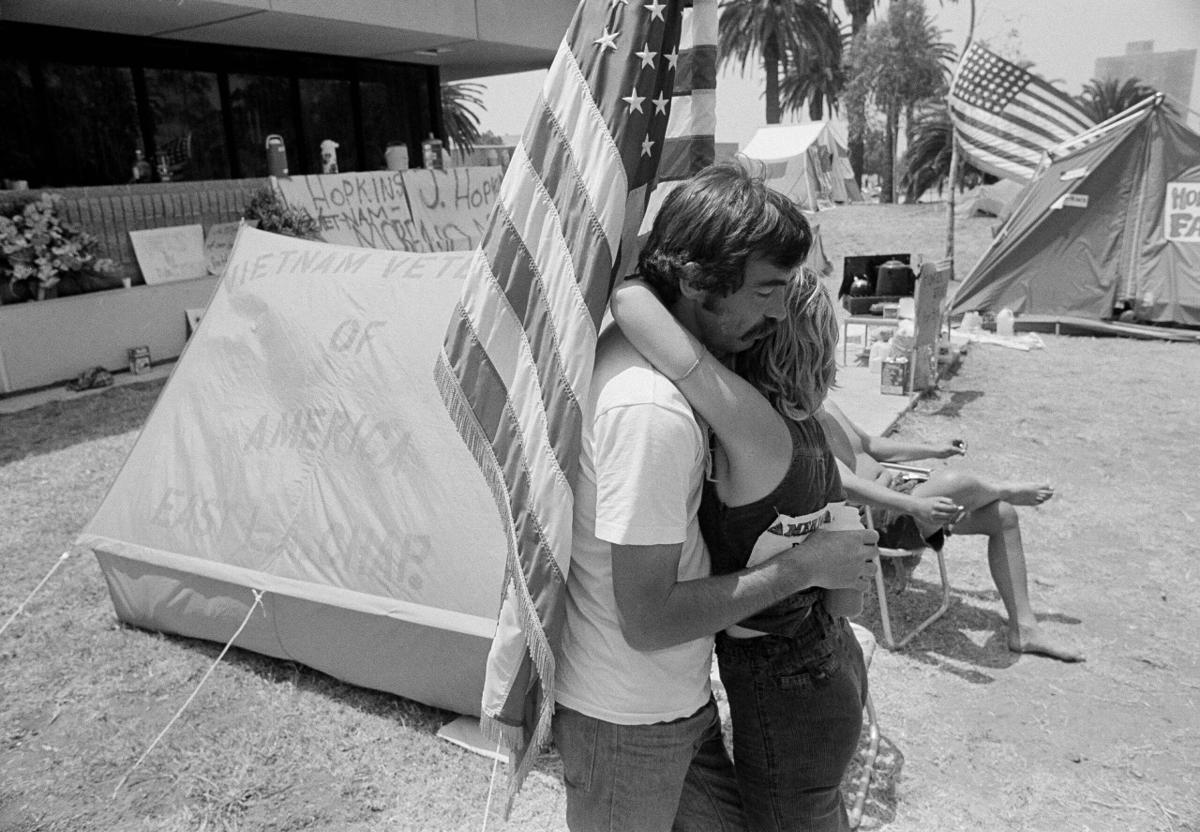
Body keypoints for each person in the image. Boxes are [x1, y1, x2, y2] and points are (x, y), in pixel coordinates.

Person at [551, 163, 879, 832]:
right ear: (701, 281)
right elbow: (647, 618)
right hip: (628, 722)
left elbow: (640, 301)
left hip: (676, 705)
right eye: (766, 290)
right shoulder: (653, 414)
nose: (780, 312)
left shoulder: (675, 366)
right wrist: (802, 567)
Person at [817, 399, 1085, 663]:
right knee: (955, 482)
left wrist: (934, 450)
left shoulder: (826, 401)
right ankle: (1006, 489)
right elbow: (846, 485)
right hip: (872, 515)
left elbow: (870, 445)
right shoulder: (804, 416)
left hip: (900, 493)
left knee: (1002, 515)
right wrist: (914, 504)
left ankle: (1024, 629)